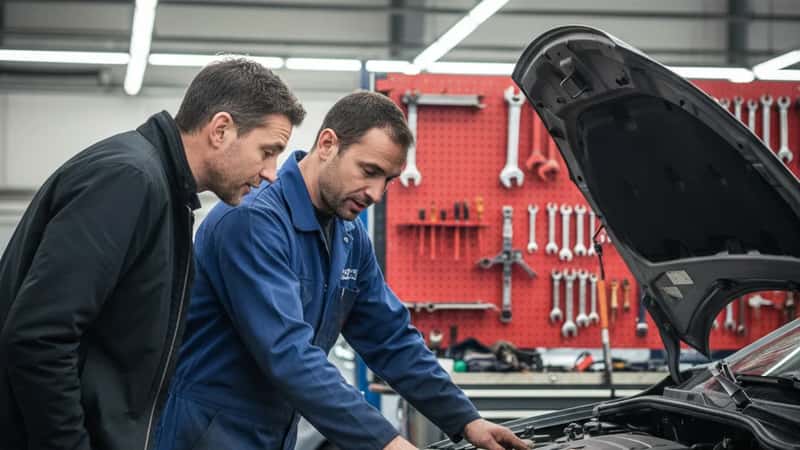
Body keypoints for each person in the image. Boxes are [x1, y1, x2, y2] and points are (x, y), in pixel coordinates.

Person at [155, 91, 527, 450]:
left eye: (388, 180)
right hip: (208, 433)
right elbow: (288, 351)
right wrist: (384, 441)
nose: (376, 194)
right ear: (328, 144)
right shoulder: (252, 221)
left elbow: (389, 336)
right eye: (369, 171)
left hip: (274, 430)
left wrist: (465, 419)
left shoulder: (348, 234)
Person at [0, 58, 306, 450]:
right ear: (221, 129)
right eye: (268, 151)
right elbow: (39, 336)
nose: (271, 172)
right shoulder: (130, 180)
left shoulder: (168, 196)